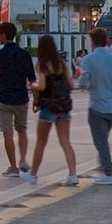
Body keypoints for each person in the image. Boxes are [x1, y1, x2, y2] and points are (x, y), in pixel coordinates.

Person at [0, 21, 36, 181]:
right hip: (22, 98)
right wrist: (36, 98)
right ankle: (23, 159)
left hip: (5, 98)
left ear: (3, 35)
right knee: (22, 130)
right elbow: (32, 78)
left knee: (7, 133)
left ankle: (13, 166)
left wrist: (2, 78)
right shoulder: (25, 54)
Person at [28, 36, 79, 186]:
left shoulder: (42, 64)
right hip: (63, 106)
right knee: (65, 142)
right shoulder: (62, 64)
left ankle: (33, 174)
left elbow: (42, 86)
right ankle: (73, 174)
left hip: (48, 107)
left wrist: (33, 85)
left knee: (41, 142)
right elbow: (71, 84)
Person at [80, 28, 112, 185]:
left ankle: (107, 172)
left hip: (96, 106)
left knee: (100, 142)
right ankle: (102, 167)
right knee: (103, 139)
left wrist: (84, 85)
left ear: (92, 42)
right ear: (106, 40)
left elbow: (83, 82)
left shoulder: (89, 59)